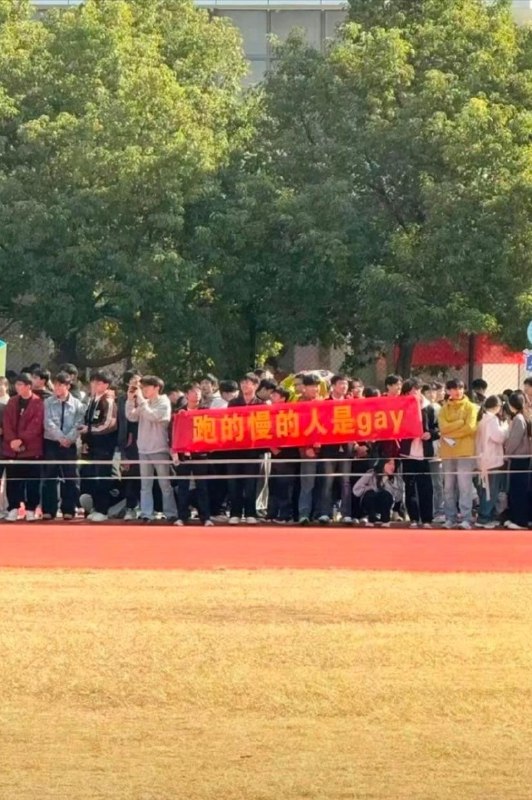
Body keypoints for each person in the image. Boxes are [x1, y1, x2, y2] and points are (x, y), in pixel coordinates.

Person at [126, 375, 177, 523]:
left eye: (147, 387)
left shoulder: (164, 402)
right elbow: (131, 417)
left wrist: (141, 400)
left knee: (164, 484)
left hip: (159, 448)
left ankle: (171, 512)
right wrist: (130, 400)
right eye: (142, 387)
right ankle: (146, 513)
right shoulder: (145, 402)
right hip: (143, 448)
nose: (144, 390)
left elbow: (153, 416)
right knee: (145, 485)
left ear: (157, 388)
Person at [41, 372, 85, 520]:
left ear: (68, 386)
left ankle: (69, 509)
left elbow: (79, 423)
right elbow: (48, 422)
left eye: (60, 385)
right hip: (51, 443)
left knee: (70, 477)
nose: (57, 388)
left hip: (70, 445)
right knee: (49, 476)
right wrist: (60, 437)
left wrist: (69, 438)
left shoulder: (77, 404)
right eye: (55, 385)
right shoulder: (48, 402)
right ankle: (49, 509)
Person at [2, 373, 44, 522]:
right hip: (12, 450)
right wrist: (12, 440)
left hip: (32, 449)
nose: (17, 387)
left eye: (20, 384)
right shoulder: (12, 401)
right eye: (16, 384)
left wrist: (21, 440)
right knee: (13, 480)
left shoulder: (38, 402)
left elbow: (36, 425)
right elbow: (7, 423)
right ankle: (13, 508)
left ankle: (31, 509)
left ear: (28, 386)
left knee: (32, 481)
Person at [438, 378, 478, 529]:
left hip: (465, 451)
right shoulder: (444, 408)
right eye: (454, 388)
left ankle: (466, 517)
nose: (458, 391)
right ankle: (450, 517)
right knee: (448, 486)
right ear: (448, 391)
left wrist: (451, 432)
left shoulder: (471, 407)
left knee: (464, 486)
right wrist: (459, 423)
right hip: (447, 452)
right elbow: (442, 428)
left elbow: (471, 428)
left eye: (460, 388)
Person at [399, 378, 439, 528]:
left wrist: (430, 434)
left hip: (424, 452)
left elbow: (437, 428)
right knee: (410, 486)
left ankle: (427, 518)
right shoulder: (401, 407)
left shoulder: (429, 408)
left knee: (426, 486)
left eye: (417, 389)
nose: (415, 393)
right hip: (407, 452)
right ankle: (414, 518)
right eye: (411, 391)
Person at [79, 370, 117, 522]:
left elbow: (108, 424)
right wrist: (85, 440)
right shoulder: (92, 400)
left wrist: (89, 430)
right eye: (93, 382)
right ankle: (95, 507)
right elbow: (87, 421)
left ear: (106, 385)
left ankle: (103, 509)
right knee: (92, 477)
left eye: (99, 382)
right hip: (92, 444)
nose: (94, 385)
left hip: (104, 445)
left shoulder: (108, 401)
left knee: (102, 477)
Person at [174, 383, 212, 526]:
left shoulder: (205, 411)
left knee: (202, 486)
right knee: (183, 486)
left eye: (198, 392)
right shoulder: (179, 412)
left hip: (200, 454)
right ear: (186, 394)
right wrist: (174, 452)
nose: (196, 395)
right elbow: (173, 433)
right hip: (183, 454)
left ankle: (205, 517)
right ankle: (182, 516)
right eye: (193, 392)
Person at [227, 373, 263, 524]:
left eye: (248, 383)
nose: (244, 385)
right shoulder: (233, 403)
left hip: (252, 450)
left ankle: (250, 513)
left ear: (255, 386)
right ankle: (234, 513)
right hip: (235, 449)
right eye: (242, 383)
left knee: (250, 483)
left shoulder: (261, 405)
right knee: (234, 483)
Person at [318, 374, 352, 524]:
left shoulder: (352, 403)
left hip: (346, 448)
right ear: (333, 386)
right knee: (327, 481)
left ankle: (346, 513)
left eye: (346, 384)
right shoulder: (325, 404)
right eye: (341, 384)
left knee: (345, 482)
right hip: (329, 448)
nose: (344, 386)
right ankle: (325, 513)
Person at [475, 395, 508, 529]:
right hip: (492, 460)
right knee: (491, 490)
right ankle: (484, 517)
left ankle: (486, 516)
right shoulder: (492, 419)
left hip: (483, 459)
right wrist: (505, 429)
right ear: (497, 407)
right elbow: (499, 437)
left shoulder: (482, 418)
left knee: (485, 489)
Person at [297, 374, 323, 525]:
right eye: (312, 386)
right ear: (304, 388)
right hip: (308, 450)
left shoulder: (323, 403)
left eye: (317, 385)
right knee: (307, 483)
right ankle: (304, 513)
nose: (315, 388)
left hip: (324, 450)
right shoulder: (300, 404)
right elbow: (299, 428)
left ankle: (319, 513)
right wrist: (306, 447)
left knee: (322, 483)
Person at [117, 370, 142, 520]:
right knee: (131, 475)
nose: (137, 384)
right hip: (130, 442)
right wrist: (122, 448)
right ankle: (131, 507)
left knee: (149, 476)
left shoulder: (147, 397)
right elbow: (121, 422)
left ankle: (153, 508)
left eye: (139, 381)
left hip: (147, 440)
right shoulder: (121, 399)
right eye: (134, 381)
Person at [504, 392, 531, 530]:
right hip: (523, 457)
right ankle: (519, 518)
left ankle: (520, 520)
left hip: (519, 457)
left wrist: (507, 453)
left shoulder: (519, 419)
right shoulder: (524, 416)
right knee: (520, 488)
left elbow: (514, 440)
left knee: (518, 489)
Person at [352, 459, 404, 527]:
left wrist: (389, 485)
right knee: (370, 493)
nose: (392, 467)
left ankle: (385, 520)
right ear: (383, 464)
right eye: (389, 464)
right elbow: (356, 490)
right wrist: (371, 487)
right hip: (370, 503)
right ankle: (370, 518)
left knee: (385, 494)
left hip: (385, 505)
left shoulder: (396, 478)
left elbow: (398, 498)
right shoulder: (372, 473)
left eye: (393, 464)